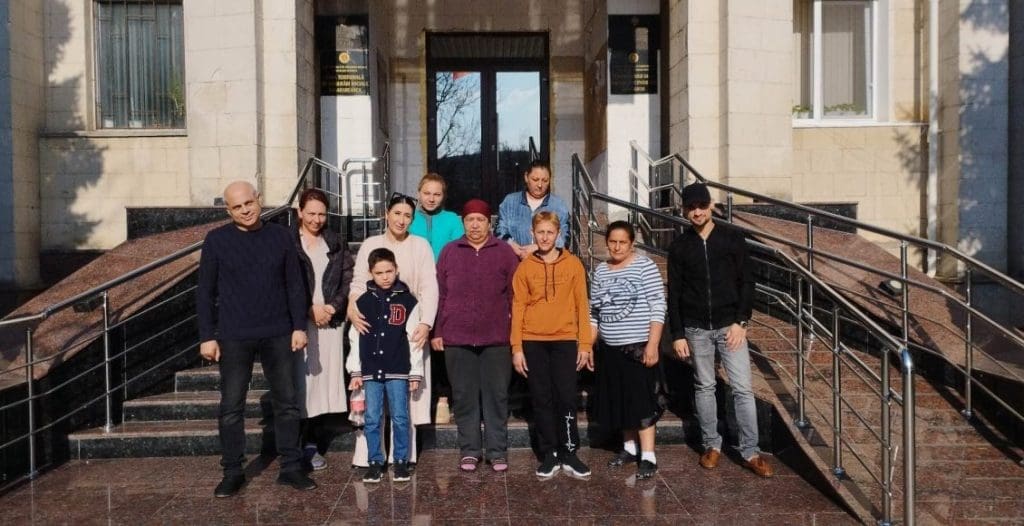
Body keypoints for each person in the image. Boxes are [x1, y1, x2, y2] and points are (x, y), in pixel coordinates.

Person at [196, 181, 316, 497]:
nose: (245, 210)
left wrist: (299, 326)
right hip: (234, 335)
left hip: (278, 332)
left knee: (287, 402)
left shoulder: (281, 236)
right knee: (231, 406)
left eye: (249, 203)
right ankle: (232, 472)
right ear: (228, 210)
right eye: (237, 207)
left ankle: (291, 467)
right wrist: (207, 335)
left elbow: (295, 284)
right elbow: (205, 291)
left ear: (259, 199)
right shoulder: (217, 240)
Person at [667, 182, 773, 478]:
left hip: (730, 326)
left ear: (711, 205)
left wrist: (741, 322)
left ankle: (750, 452)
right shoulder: (680, 247)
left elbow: (747, 282)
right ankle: (711, 445)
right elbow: (674, 293)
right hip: (696, 328)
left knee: (742, 388)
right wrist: (677, 334)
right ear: (684, 210)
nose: (697, 212)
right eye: (691, 207)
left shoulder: (731, 238)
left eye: (702, 206)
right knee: (704, 386)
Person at [346, 194, 438, 468]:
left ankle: (403, 455)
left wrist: (426, 322)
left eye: (407, 215)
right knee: (371, 401)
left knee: (405, 400)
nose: (401, 220)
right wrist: (352, 307)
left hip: (407, 327)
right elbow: (358, 282)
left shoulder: (420, 245)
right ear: (387, 214)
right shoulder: (370, 244)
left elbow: (429, 286)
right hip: (373, 329)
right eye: (397, 213)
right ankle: (369, 456)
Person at [431, 199, 520, 472]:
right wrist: (438, 330)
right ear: (463, 222)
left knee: (496, 396)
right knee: (463, 395)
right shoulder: (450, 251)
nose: (475, 225)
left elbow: (515, 295)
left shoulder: (504, 252)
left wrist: (514, 333)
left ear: (489, 222)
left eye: (480, 219)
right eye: (470, 219)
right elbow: (440, 294)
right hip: (457, 336)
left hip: (496, 336)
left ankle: (497, 451)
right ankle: (469, 450)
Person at [510, 211, 594, 478]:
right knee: (541, 398)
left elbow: (582, 305)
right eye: (540, 232)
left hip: (565, 340)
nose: (545, 237)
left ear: (558, 234)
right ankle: (549, 453)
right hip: (533, 340)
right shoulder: (525, 268)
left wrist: (585, 344)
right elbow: (518, 308)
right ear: (532, 234)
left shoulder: (573, 264)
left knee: (566, 397)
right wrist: (516, 348)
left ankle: (569, 451)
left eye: (550, 232)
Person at [589, 221, 666, 480]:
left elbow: (658, 305)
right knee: (621, 401)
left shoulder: (645, 266)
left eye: (623, 242)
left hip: (638, 347)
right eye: (612, 241)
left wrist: (653, 344)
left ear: (632, 243)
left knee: (642, 402)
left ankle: (648, 456)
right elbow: (594, 312)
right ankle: (630, 448)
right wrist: (589, 345)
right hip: (610, 349)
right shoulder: (601, 270)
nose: (617, 247)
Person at [346, 248, 423, 483]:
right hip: (370, 369)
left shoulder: (408, 301)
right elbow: (355, 336)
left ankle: (400, 461)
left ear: (396, 269)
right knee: (372, 418)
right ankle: (374, 462)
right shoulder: (363, 301)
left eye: (389, 271)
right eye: (379, 273)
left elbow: (414, 338)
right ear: (371, 273)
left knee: (400, 416)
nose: (385, 277)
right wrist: (355, 370)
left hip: (397, 368)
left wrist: (415, 372)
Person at [292, 188, 354, 471]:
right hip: (300, 322)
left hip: (329, 321)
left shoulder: (335, 241)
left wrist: (332, 307)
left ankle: (311, 443)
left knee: (322, 384)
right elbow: (287, 281)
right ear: (299, 212)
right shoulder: (290, 242)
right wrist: (308, 309)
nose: (316, 220)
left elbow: (347, 277)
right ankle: (296, 444)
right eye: (311, 213)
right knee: (303, 382)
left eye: (321, 214)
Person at [496, 161, 570, 261]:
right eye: (535, 179)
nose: (540, 185)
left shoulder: (558, 205)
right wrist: (512, 245)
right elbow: (499, 231)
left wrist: (538, 247)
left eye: (545, 180)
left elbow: (565, 241)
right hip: (514, 262)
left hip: (546, 265)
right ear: (526, 177)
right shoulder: (510, 202)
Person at [409, 173, 465, 261]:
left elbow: (460, 252)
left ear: (444, 196)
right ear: (418, 194)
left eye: (437, 194)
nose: (431, 199)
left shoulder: (452, 219)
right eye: (427, 193)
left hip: (444, 269)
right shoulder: (409, 218)